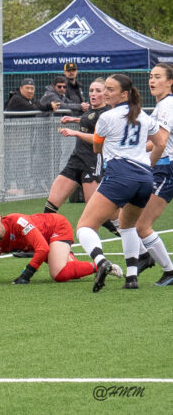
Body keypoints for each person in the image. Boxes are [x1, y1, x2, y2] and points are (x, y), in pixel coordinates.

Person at [76, 74, 167, 292]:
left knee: (84, 226)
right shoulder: (142, 116)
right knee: (127, 226)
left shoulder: (106, 117)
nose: (105, 93)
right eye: (104, 89)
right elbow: (161, 141)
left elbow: (96, 148)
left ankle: (100, 261)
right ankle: (132, 277)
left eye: (110, 89)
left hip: (120, 175)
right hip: (145, 177)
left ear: (123, 94)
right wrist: (148, 162)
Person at [0, 204, 122, 285]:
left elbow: (42, 248)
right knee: (69, 272)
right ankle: (101, 266)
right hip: (42, 242)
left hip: (56, 228)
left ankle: (97, 265)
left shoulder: (18, 222)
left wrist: (26, 274)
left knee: (59, 274)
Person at [44, 78, 118, 235]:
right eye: (91, 90)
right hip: (75, 160)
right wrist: (74, 119)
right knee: (51, 205)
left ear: (105, 94)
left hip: (91, 162)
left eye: (98, 91)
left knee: (97, 213)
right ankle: (37, 244)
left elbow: (99, 138)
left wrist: (75, 132)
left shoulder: (106, 114)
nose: (93, 94)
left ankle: (131, 240)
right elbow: (89, 120)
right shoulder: (92, 111)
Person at [135, 63, 173, 286]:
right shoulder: (160, 106)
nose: (152, 80)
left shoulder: (167, 105)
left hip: (166, 169)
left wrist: (146, 164)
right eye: (150, 76)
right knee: (133, 220)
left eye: (158, 77)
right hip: (162, 167)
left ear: (170, 82)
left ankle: (169, 271)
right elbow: (152, 142)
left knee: (141, 224)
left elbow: (161, 141)